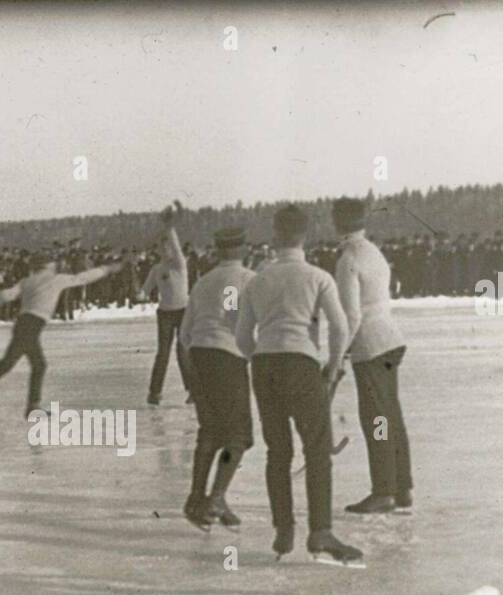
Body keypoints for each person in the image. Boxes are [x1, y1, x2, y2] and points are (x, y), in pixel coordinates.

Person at [236, 204, 362, 564]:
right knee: (317, 450)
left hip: (265, 367)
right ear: (305, 236)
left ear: (275, 236)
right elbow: (340, 327)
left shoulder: (256, 282)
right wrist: (332, 367)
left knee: (278, 451)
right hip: (302, 365)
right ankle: (320, 532)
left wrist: (262, 356)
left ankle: (283, 529)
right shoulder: (318, 277)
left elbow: (242, 337)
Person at [0, 251, 128, 421]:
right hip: (31, 326)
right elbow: (82, 278)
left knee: (35, 365)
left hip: (24, 324)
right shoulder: (55, 279)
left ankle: (29, 406)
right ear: (47, 265)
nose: (55, 264)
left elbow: (5, 295)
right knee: (11, 363)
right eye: (52, 262)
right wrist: (106, 269)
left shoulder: (27, 281)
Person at [332, 197, 414, 515]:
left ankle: (383, 491)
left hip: (370, 346)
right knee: (391, 415)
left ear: (338, 222)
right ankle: (401, 487)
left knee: (377, 419)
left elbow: (351, 314)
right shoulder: (373, 251)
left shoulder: (348, 259)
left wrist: (339, 352)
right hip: (390, 340)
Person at [178, 226, 256, 530]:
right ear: (243, 249)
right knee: (239, 436)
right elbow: (232, 319)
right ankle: (217, 499)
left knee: (210, 430)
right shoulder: (242, 279)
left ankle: (196, 499)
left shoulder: (204, 281)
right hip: (226, 359)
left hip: (198, 357)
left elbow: (185, 332)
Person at [141, 202, 196, 405]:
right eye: (162, 248)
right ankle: (154, 392)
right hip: (165, 313)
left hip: (183, 312)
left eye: (168, 247)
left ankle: (192, 390)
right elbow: (146, 289)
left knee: (183, 352)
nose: (166, 251)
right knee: (162, 353)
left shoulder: (180, 265)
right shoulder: (157, 269)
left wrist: (168, 225)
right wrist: (140, 294)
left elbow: (174, 241)